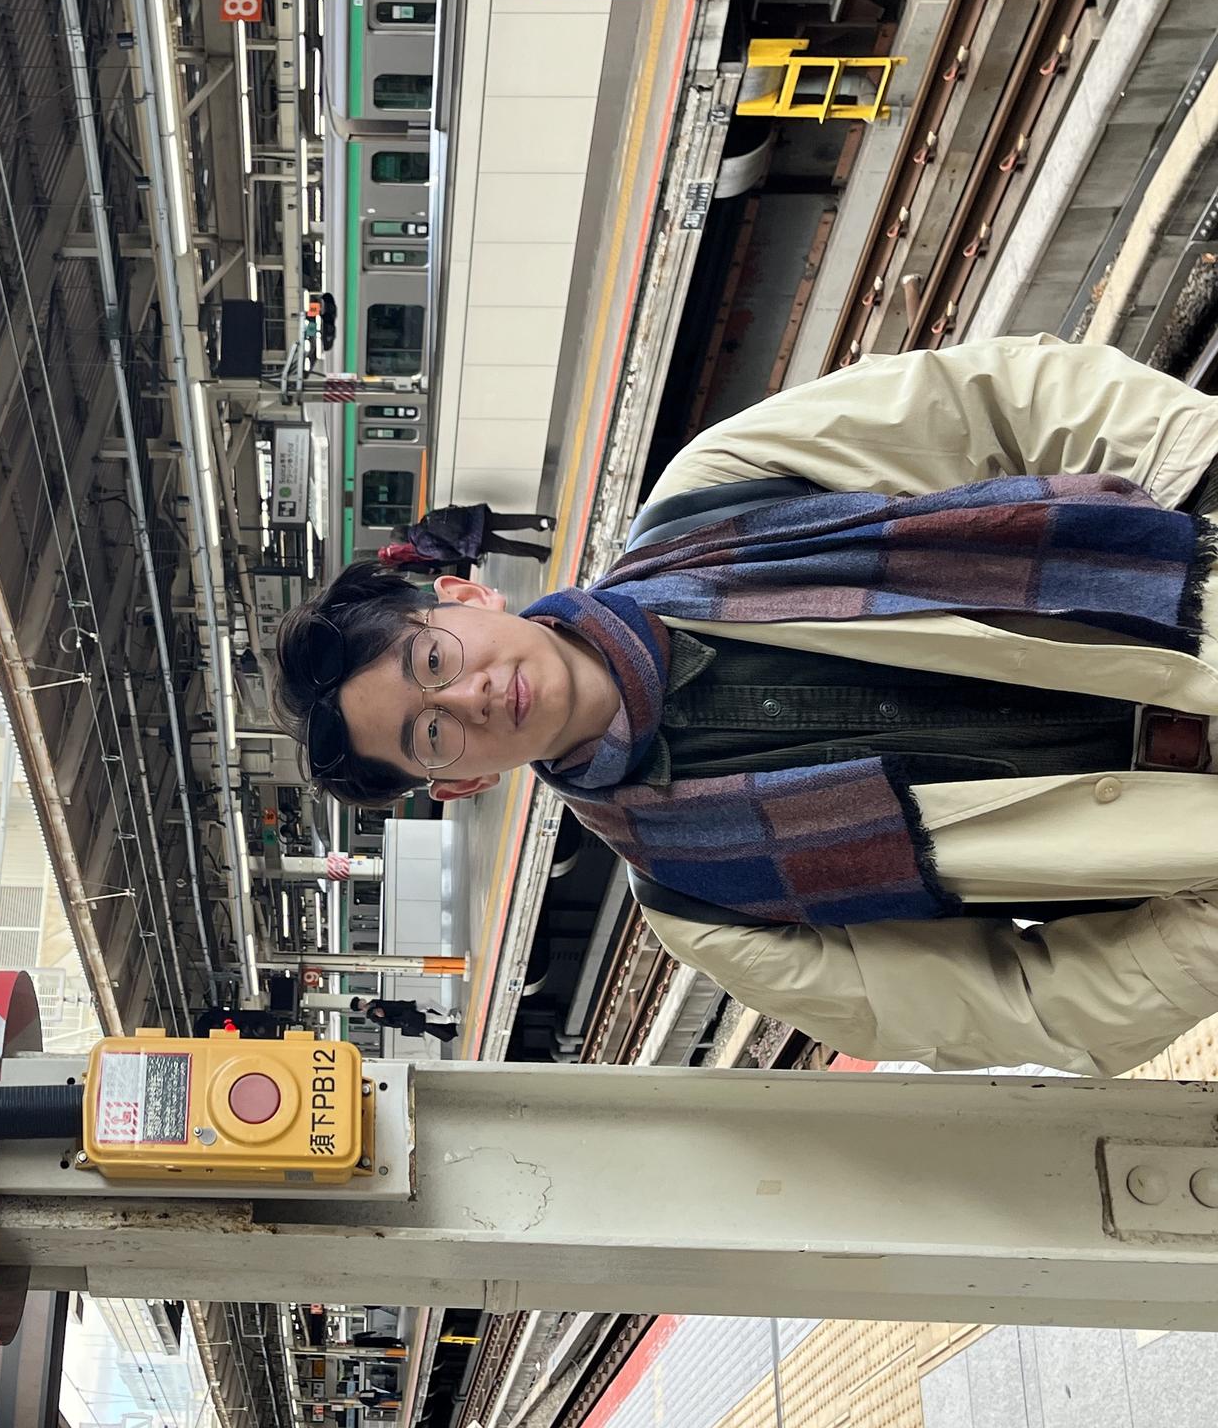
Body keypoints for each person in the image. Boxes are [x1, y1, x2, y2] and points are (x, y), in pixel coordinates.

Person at [273, 336, 1218, 1077]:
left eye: (434, 658)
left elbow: (998, 396)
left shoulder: (711, 498)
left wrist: (1198, 473)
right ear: (462, 780)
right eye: (430, 732)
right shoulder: (699, 901)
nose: (472, 695)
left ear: (468, 598)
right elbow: (1020, 1006)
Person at [395, 504, 556, 566]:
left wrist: (460, 553)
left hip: (472, 541)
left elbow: (443, 553)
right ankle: (543, 522)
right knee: (509, 521)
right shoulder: (427, 518)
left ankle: (541, 552)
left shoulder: (421, 546)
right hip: (477, 519)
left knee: (508, 547)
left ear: (404, 542)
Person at [352, 995, 457, 1043]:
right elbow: (390, 1023)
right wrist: (383, 1017)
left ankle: (447, 1013)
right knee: (429, 1018)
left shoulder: (373, 1002)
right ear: (360, 1007)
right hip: (406, 1018)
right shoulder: (373, 1016)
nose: (362, 1000)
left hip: (406, 1007)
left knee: (427, 1002)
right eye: (360, 1002)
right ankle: (451, 1020)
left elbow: (392, 1004)